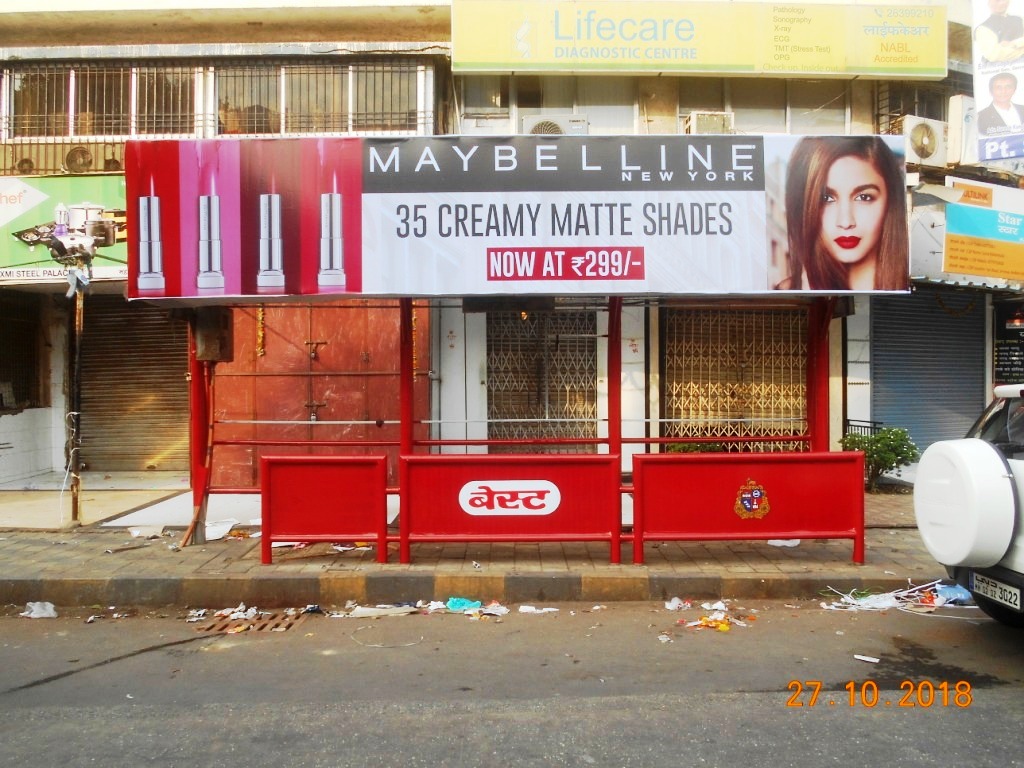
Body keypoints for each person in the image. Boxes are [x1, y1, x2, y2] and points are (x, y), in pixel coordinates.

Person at [775, 136, 908, 292]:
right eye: (826, 198)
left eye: (864, 197)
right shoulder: (785, 291)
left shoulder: (908, 286)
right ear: (803, 206)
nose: (846, 222)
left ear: (890, 201)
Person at [976, 0, 1024, 65]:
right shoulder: (983, 28)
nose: (1001, 3)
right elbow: (995, 55)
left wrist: (1013, 44)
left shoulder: (1018, 19)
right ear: (989, 3)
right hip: (1000, 70)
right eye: (997, 1)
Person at [977, 71, 1024, 135]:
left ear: (1014, 90)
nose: (1003, 91)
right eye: (998, 87)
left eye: (1008, 87)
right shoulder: (981, 117)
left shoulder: (1022, 109)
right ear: (991, 91)